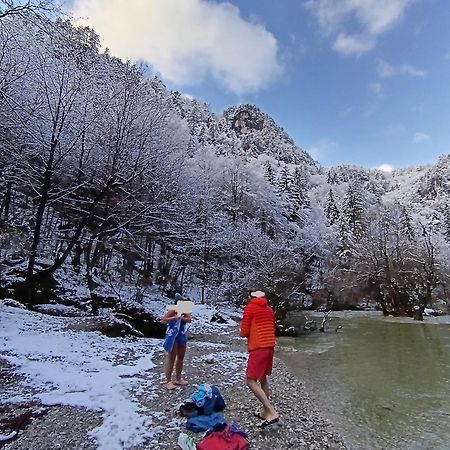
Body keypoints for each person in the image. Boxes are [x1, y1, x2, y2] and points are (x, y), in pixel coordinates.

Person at [239, 290, 279, 428]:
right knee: (262, 379)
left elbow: (243, 332)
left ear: (250, 297)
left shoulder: (250, 308)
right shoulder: (269, 309)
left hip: (258, 348)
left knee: (250, 380)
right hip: (270, 347)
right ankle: (265, 412)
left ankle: (272, 412)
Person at [161, 293, 192, 390]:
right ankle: (168, 381)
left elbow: (189, 319)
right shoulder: (173, 310)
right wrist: (174, 318)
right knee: (171, 358)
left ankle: (178, 378)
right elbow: (163, 320)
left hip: (181, 335)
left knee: (181, 358)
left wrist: (182, 317)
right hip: (172, 335)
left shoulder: (184, 311)